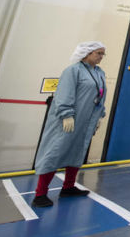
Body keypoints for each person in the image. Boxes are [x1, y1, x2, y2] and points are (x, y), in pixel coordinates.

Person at [32, 41, 108, 207]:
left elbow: (101, 96)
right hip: (68, 121)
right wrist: (67, 115)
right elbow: (64, 94)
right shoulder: (73, 71)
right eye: (98, 53)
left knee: (77, 152)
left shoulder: (99, 72)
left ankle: (68, 187)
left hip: (86, 122)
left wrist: (99, 117)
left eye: (103, 54)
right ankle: (40, 194)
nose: (101, 57)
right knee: (54, 152)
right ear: (87, 53)